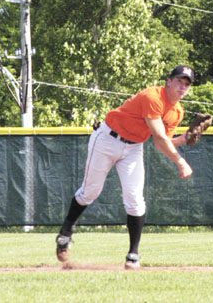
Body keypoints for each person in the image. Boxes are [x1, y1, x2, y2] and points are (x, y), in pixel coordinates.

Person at [56, 65, 194, 269]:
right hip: (107, 139)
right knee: (91, 191)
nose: (182, 87)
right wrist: (181, 162)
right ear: (169, 81)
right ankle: (66, 230)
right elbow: (158, 136)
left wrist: (184, 139)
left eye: (187, 84)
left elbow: (161, 143)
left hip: (133, 148)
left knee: (135, 199)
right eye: (179, 81)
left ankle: (133, 255)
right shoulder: (153, 97)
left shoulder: (177, 112)